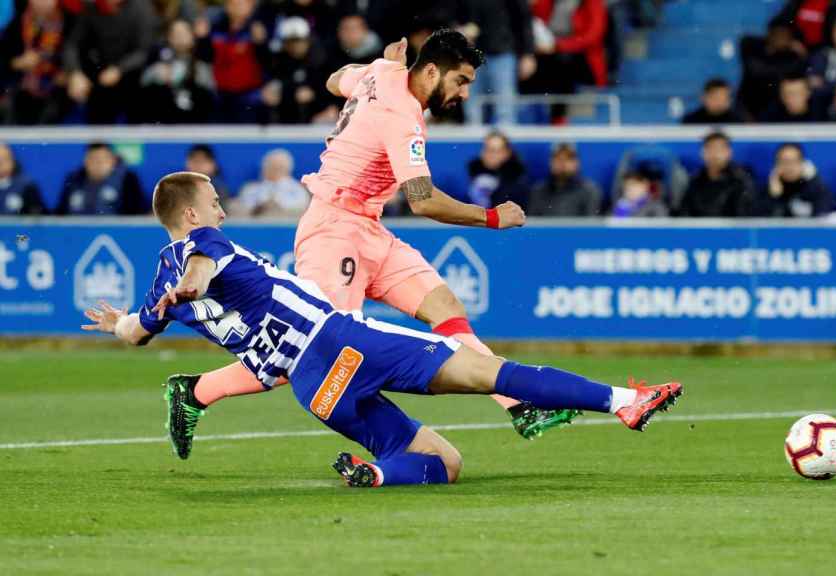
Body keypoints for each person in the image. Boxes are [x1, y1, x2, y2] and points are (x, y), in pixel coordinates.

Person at [81, 171, 683, 486]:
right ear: (190, 214)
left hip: (314, 388)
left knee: (440, 462)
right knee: (487, 370)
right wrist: (197, 277)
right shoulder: (199, 248)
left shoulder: (161, 286)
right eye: (212, 201)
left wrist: (120, 324)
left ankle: (373, 474)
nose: (221, 208)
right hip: (342, 344)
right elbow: (203, 262)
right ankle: (624, 400)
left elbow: (137, 332)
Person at [185, 30, 579, 442]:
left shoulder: (382, 72)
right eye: (460, 81)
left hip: (368, 228)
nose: (464, 94)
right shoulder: (403, 116)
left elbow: (334, 79)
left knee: (444, 306)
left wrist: (380, 66)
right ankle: (196, 391)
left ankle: (518, 403)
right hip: (332, 231)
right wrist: (493, 217)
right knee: (311, 346)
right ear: (430, 71)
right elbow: (423, 201)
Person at [63, 0, 157, 123]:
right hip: (99, 79)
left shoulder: (142, 8)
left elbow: (144, 51)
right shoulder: (91, 7)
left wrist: (119, 69)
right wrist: (75, 72)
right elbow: (72, 45)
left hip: (134, 80)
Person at [460, 0, 536, 126]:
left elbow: (524, 19)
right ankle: (473, 142)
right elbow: (453, 13)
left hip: (503, 52)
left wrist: (528, 53)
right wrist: (459, 30)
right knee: (472, 111)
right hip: (470, 55)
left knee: (505, 110)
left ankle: (503, 143)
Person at [197, 0, 271, 123]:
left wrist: (261, 44)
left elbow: (268, 62)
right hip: (221, 97)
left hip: (249, 98)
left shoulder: (257, 30)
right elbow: (206, 58)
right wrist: (203, 39)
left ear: (251, 7)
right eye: (231, 3)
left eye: (240, 4)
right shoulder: (216, 29)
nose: (235, 7)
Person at [1, 0, 68, 125]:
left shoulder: (68, 20)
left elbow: (74, 51)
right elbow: (4, 55)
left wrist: (66, 71)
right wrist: (16, 62)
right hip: (20, 85)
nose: (43, 3)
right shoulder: (16, 21)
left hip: (54, 85)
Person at [140, 19, 216, 124]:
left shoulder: (201, 62)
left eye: (184, 33)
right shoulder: (159, 60)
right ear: (169, 38)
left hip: (194, 122)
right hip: (165, 123)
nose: (180, 37)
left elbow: (211, 91)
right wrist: (156, 74)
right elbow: (143, 82)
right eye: (176, 34)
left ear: (192, 37)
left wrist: (194, 76)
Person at [263, 17, 330, 124]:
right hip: (283, 121)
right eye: (291, 41)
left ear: (307, 40)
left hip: (315, 121)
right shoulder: (277, 64)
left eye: (299, 41)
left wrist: (315, 95)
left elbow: (329, 93)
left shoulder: (320, 62)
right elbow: (272, 90)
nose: (295, 46)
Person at [738, 17, 808, 120]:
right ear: (770, 35)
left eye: (784, 34)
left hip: (780, 111)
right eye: (777, 34)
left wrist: (804, 56)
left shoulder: (792, 58)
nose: (780, 38)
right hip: (751, 107)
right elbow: (756, 71)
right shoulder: (753, 50)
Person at [56, 142, 145, 215]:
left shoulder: (127, 180)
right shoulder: (73, 180)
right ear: (86, 161)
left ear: (112, 161)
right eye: (93, 159)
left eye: (103, 160)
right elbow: (60, 214)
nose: (98, 164)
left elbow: (137, 214)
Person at [680, 132, 755, 217]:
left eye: (719, 149)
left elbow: (744, 216)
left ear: (729, 152)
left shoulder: (741, 180)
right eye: (710, 148)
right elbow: (684, 213)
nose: (715, 154)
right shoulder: (695, 181)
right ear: (702, 152)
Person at [754, 143, 835, 218]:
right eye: (784, 161)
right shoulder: (766, 191)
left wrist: (813, 181)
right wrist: (774, 196)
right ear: (776, 164)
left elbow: (823, 216)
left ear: (803, 163)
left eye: (794, 161)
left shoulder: (818, 189)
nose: (789, 166)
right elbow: (763, 222)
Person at [527, 142, 603, 216]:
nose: (563, 163)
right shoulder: (538, 191)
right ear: (550, 162)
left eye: (568, 158)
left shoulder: (590, 191)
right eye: (558, 158)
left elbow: (591, 224)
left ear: (577, 163)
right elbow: (533, 223)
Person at [231, 149, 309, 218]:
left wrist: (277, 205)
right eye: (271, 166)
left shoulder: (298, 190)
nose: (274, 170)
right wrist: (261, 207)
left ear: (287, 169)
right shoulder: (250, 189)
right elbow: (241, 210)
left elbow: (301, 209)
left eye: (279, 167)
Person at [466, 131, 530, 209]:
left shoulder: (518, 183)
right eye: (487, 150)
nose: (491, 155)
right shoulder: (472, 177)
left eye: (496, 151)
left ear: (507, 153)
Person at [0, 143, 47, 215]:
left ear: (12, 161)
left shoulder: (27, 187)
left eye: (5, 159)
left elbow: (38, 217)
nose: (1, 164)